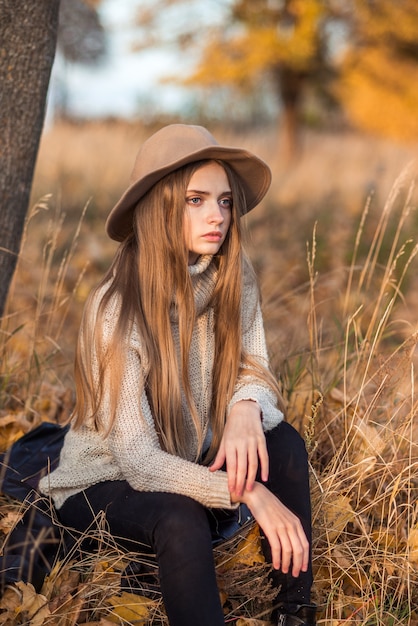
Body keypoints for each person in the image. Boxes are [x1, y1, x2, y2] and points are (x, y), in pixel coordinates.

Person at [39, 124, 316, 626]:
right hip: (105, 479)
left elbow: (254, 365)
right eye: (196, 199)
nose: (218, 216)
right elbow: (140, 462)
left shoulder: (232, 272)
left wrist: (244, 407)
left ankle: (294, 612)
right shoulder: (116, 308)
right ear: (161, 205)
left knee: (287, 445)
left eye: (225, 201)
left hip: (190, 454)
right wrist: (248, 492)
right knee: (179, 518)